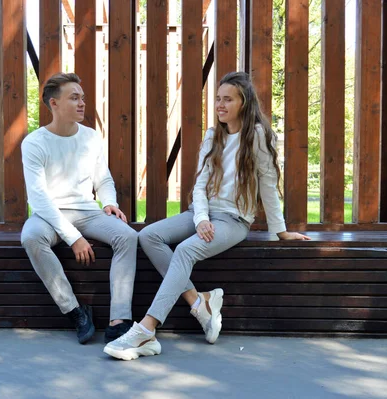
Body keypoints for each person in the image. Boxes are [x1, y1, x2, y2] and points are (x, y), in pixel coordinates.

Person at [103, 71, 311, 360]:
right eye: (217, 99)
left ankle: (146, 330)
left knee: (186, 250)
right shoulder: (213, 136)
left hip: (233, 220)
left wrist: (280, 230)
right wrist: (201, 219)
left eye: (228, 99)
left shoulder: (260, 136)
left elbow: (267, 184)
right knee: (149, 235)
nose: (220, 105)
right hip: (201, 212)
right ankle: (199, 301)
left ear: (244, 103)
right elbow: (199, 184)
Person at [21, 72, 137, 344]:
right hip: (49, 214)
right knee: (31, 237)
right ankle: (74, 310)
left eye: (82, 98)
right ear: (54, 104)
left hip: (87, 212)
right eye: (74, 98)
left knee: (128, 236)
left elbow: (103, 178)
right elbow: (39, 198)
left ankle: (120, 318)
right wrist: (74, 238)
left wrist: (109, 202)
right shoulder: (34, 143)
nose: (82, 103)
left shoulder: (91, 137)